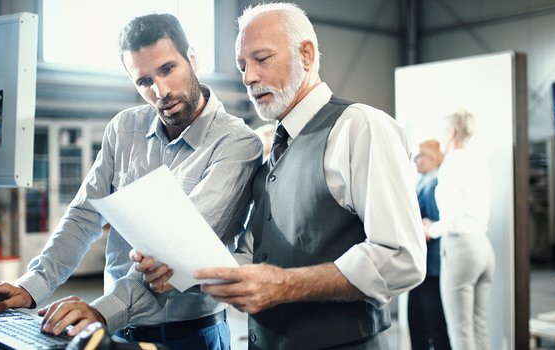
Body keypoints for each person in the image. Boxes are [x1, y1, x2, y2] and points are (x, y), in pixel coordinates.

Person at [136, 3, 426, 349]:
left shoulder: (360, 126)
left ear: (306, 54)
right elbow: (253, 256)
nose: (248, 77)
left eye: (262, 59)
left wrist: (286, 285)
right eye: (242, 66)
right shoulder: (271, 148)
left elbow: (401, 257)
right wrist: (181, 269)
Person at [0, 13, 263, 350]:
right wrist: (33, 284)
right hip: (114, 333)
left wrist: (101, 311)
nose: (161, 91)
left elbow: (175, 254)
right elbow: (84, 215)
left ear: (193, 59)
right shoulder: (124, 129)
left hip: (190, 337)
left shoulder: (237, 143)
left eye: (168, 69)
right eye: (144, 81)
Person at [423, 110, 494, 350]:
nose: (441, 138)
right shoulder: (478, 161)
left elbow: (451, 220)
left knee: (460, 331)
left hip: (461, 249)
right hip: (483, 246)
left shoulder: (452, 163)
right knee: (478, 325)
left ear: (452, 132)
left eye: (443, 131)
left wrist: (431, 229)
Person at [408, 139, 451, 350]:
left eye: (420, 156)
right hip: (424, 266)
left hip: (431, 268)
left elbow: (433, 224)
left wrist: (423, 228)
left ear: (433, 159)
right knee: (419, 323)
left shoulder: (433, 184)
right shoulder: (423, 182)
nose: (416, 160)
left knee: (432, 325)